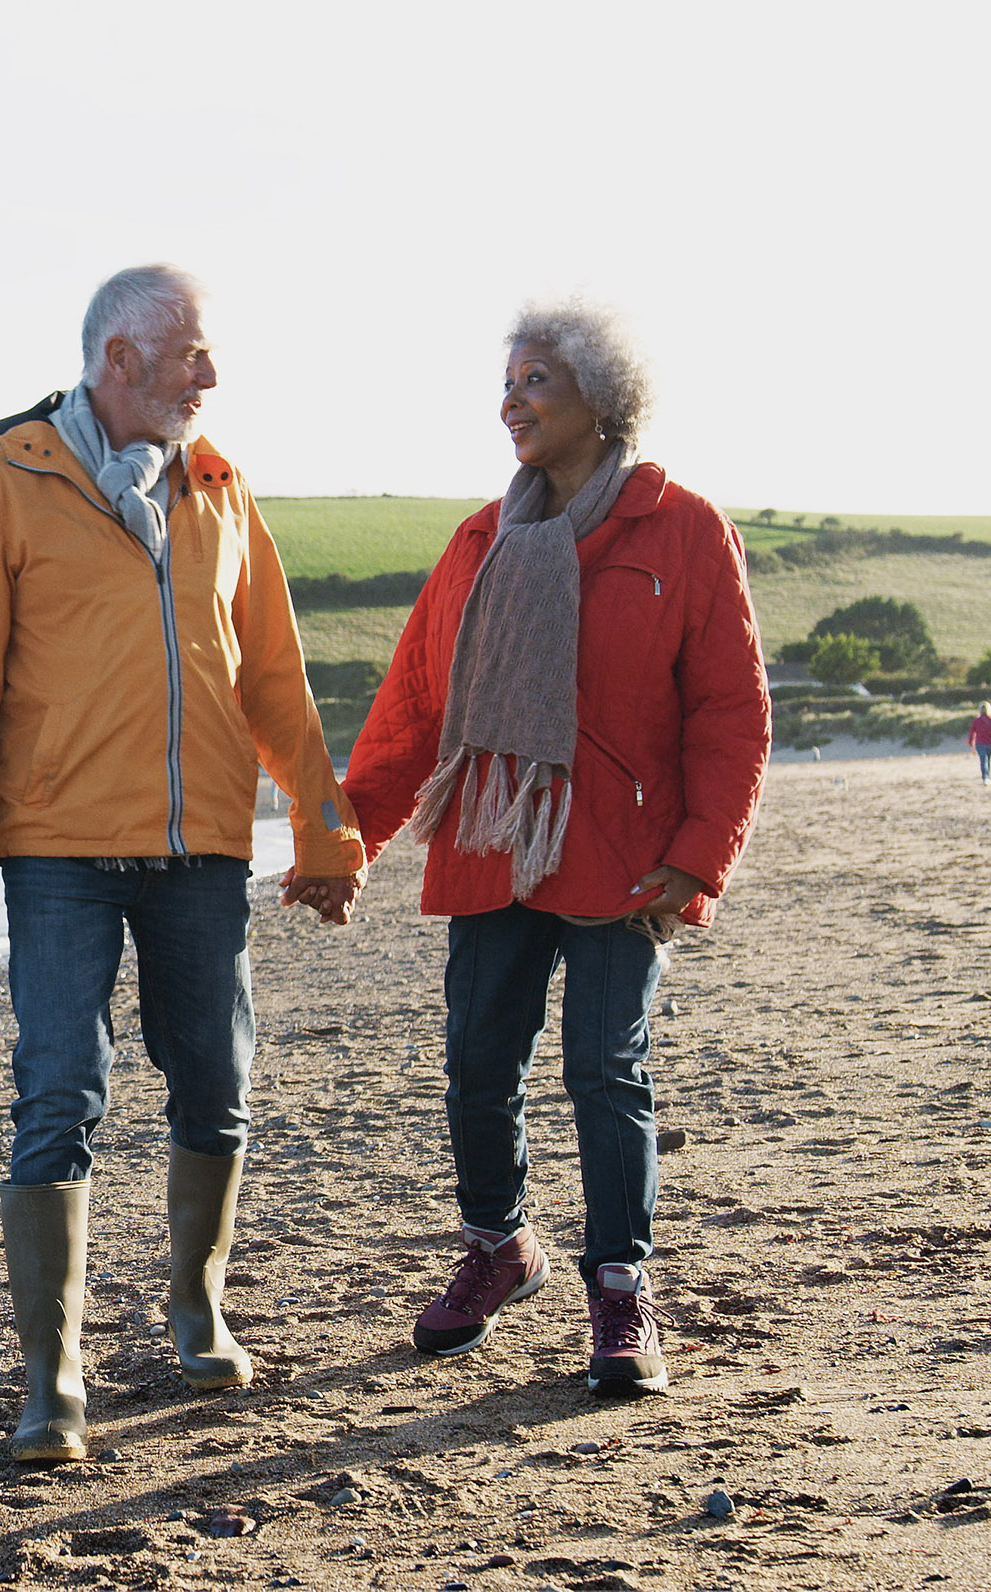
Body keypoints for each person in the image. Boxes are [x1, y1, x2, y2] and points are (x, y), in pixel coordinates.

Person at [0, 264, 366, 1460]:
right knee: (59, 1088)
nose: (210, 379)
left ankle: (195, 1303)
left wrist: (323, 828)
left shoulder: (221, 489)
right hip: (58, 849)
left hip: (202, 851)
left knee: (216, 1077)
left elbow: (273, 675)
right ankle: (51, 1379)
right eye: (190, 357)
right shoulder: (3, 482)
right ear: (118, 360)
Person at [343, 300, 769, 1397]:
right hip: (495, 841)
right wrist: (349, 835)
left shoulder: (682, 528)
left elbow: (729, 707)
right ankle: (499, 1245)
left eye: (536, 379)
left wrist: (701, 851)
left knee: (604, 1067)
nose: (512, 400)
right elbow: (415, 704)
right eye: (508, 380)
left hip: (628, 853)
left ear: (601, 396)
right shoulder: (481, 542)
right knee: (479, 1063)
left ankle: (621, 1289)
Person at [967, 703, 991, 783]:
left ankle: (985, 777)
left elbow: (972, 733)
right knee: (988, 761)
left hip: (980, 744)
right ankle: (987, 776)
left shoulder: (976, 720)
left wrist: (971, 743)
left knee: (983, 761)